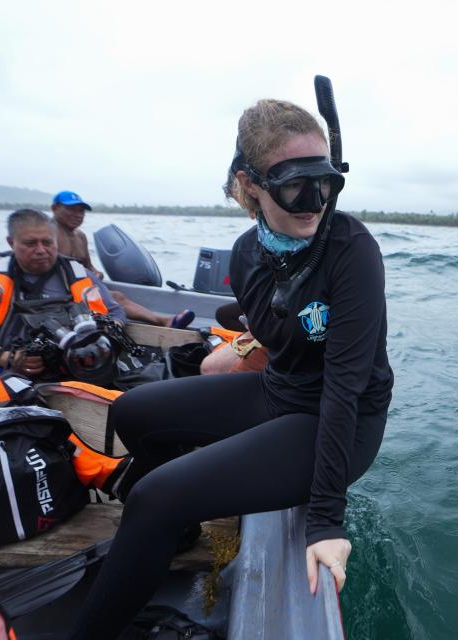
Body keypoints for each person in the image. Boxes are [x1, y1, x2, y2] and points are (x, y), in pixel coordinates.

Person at [69, 98, 393, 638]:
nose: (315, 203)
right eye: (296, 185)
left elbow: (344, 387)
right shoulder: (246, 254)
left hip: (342, 419)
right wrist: (238, 328)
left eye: (326, 183)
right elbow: (261, 314)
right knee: (133, 410)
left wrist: (326, 521)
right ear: (252, 184)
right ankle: (170, 536)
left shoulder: (352, 249)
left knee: (154, 497)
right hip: (278, 393)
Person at [0, 209, 126, 379]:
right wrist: (5, 357)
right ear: (11, 242)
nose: (41, 250)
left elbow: (116, 313)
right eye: (30, 243)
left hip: (78, 364)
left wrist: (100, 342)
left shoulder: (79, 275)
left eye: (47, 242)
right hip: (12, 368)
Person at [51, 190, 195, 329]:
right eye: (71, 209)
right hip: (61, 293)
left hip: (82, 287)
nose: (78, 215)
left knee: (117, 296)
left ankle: (164, 320)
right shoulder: (49, 235)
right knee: (114, 298)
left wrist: (97, 273)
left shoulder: (80, 236)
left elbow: (88, 266)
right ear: (55, 208)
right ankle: (163, 321)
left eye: (81, 211)